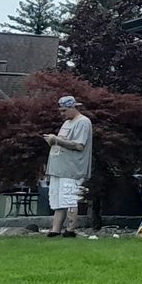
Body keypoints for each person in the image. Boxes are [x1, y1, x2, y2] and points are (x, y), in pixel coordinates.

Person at [43, 94, 94, 238]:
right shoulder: (66, 123)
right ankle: (55, 230)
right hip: (58, 168)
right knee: (57, 200)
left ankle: (70, 229)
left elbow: (79, 145)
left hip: (72, 169)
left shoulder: (83, 122)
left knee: (69, 198)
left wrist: (56, 140)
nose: (62, 114)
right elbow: (62, 141)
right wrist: (52, 141)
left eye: (64, 111)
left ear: (73, 107)